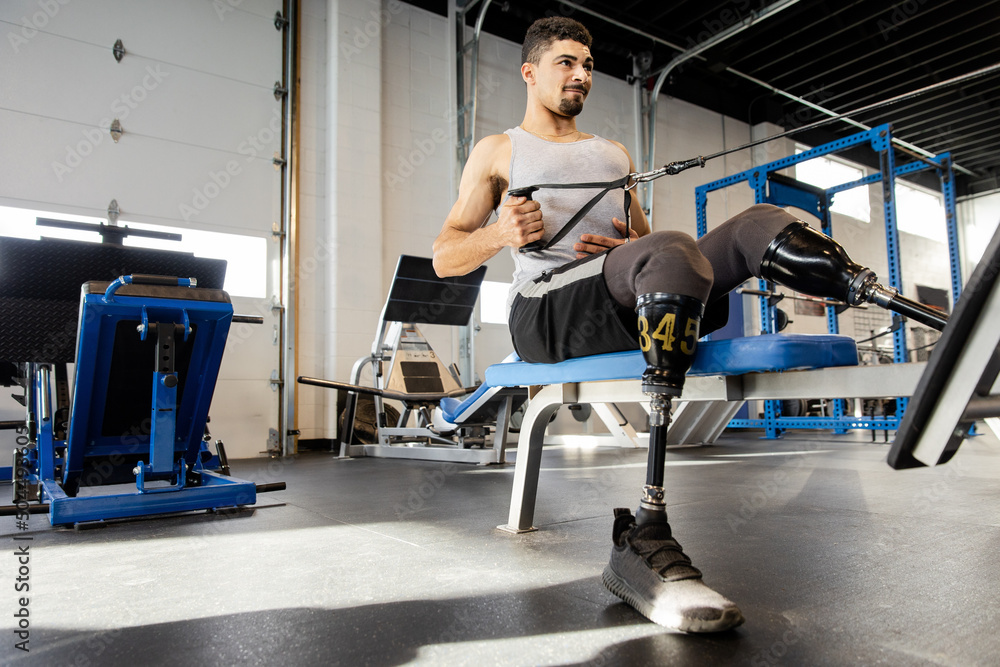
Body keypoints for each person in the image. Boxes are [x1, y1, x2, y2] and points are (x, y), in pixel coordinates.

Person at [433, 16, 943, 633]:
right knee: (673, 248)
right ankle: (644, 538)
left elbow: (650, 245)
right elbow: (445, 255)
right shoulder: (499, 149)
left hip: (616, 290)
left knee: (757, 221)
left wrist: (625, 247)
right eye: (566, 62)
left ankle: (924, 316)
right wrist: (498, 233)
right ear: (530, 71)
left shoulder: (613, 154)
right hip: (542, 309)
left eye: (588, 65)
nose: (581, 75)